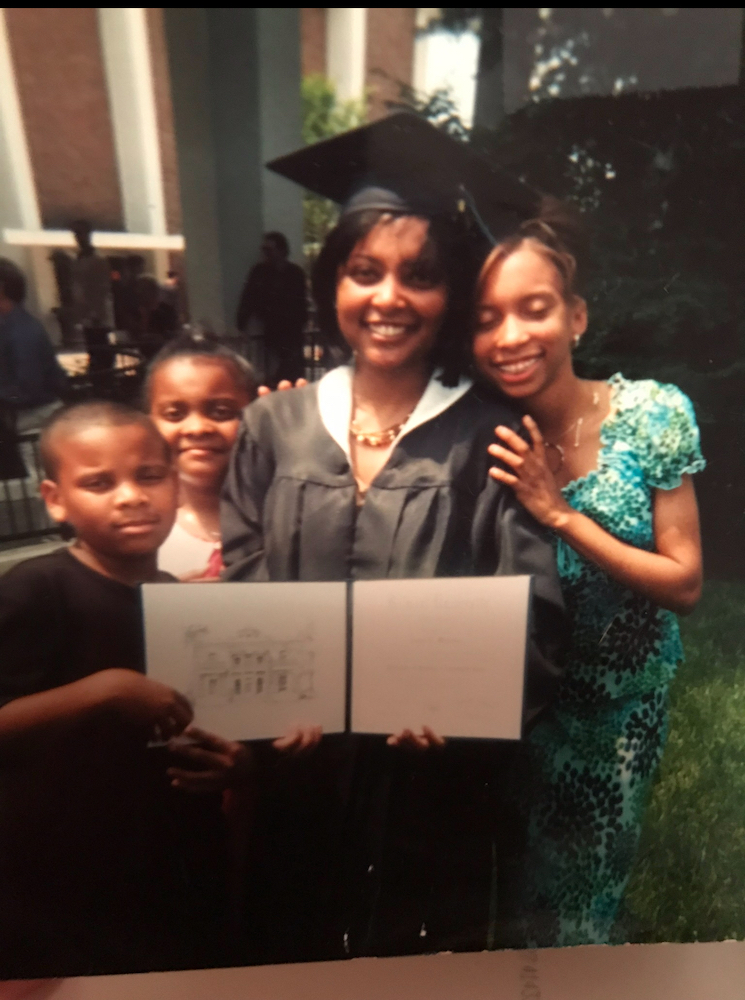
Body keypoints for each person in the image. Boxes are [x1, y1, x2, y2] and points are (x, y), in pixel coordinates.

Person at [221, 114, 567, 962]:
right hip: (297, 762)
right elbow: (244, 567)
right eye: (363, 272)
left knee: (417, 954)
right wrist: (272, 696)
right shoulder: (274, 423)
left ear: (449, 296)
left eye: (419, 277)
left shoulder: (487, 431)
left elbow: (528, 601)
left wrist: (458, 700)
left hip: (431, 771)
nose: (388, 299)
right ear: (331, 281)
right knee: (291, 944)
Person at [472, 200, 705, 946]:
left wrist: (561, 513)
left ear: (574, 317)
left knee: (575, 913)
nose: (509, 336)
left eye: (532, 310)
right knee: (499, 903)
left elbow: (684, 582)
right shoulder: (480, 431)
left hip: (615, 716)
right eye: (485, 318)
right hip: (511, 714)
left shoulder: (650, 415)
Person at [0, 401, 247, 976]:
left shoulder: (178, 600)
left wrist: (231, 763)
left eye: (149, 476)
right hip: (61, 875)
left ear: (177, 487)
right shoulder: (37, 590)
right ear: (54, 499)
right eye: (98, 482)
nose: (131, 496)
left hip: (168, 859)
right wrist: (102, 691)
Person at [146, 332, 257, 581]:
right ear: (148, 424)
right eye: (175, 414)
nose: (197, 428)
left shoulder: (281, 517)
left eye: (221, 412)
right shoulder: (139, 527)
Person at [0, 257, 68, 433]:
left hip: (36, 418)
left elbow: (28, 388)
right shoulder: (14, 325)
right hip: (33, 415)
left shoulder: (21, 330)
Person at [235, 231, 308, 386]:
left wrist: (302, 321)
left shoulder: (295, 273)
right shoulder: (260, 272)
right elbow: (248, 297)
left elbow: (301, 302)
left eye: (269, 250)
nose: (265, 254)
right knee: (273, 370)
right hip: (272, 329)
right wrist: (241, 323)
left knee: (292, 370)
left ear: (281, 251)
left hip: (292, 330)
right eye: (264, 250)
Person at [69, 219, 114, 372]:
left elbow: (102, 289)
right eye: (76, 234)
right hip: (85, 316)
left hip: (97, 318)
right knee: (92, 350)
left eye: (80, 233)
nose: (78, 238)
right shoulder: (77, 260)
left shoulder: (98, 260)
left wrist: (96, 314)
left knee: (101, 351)